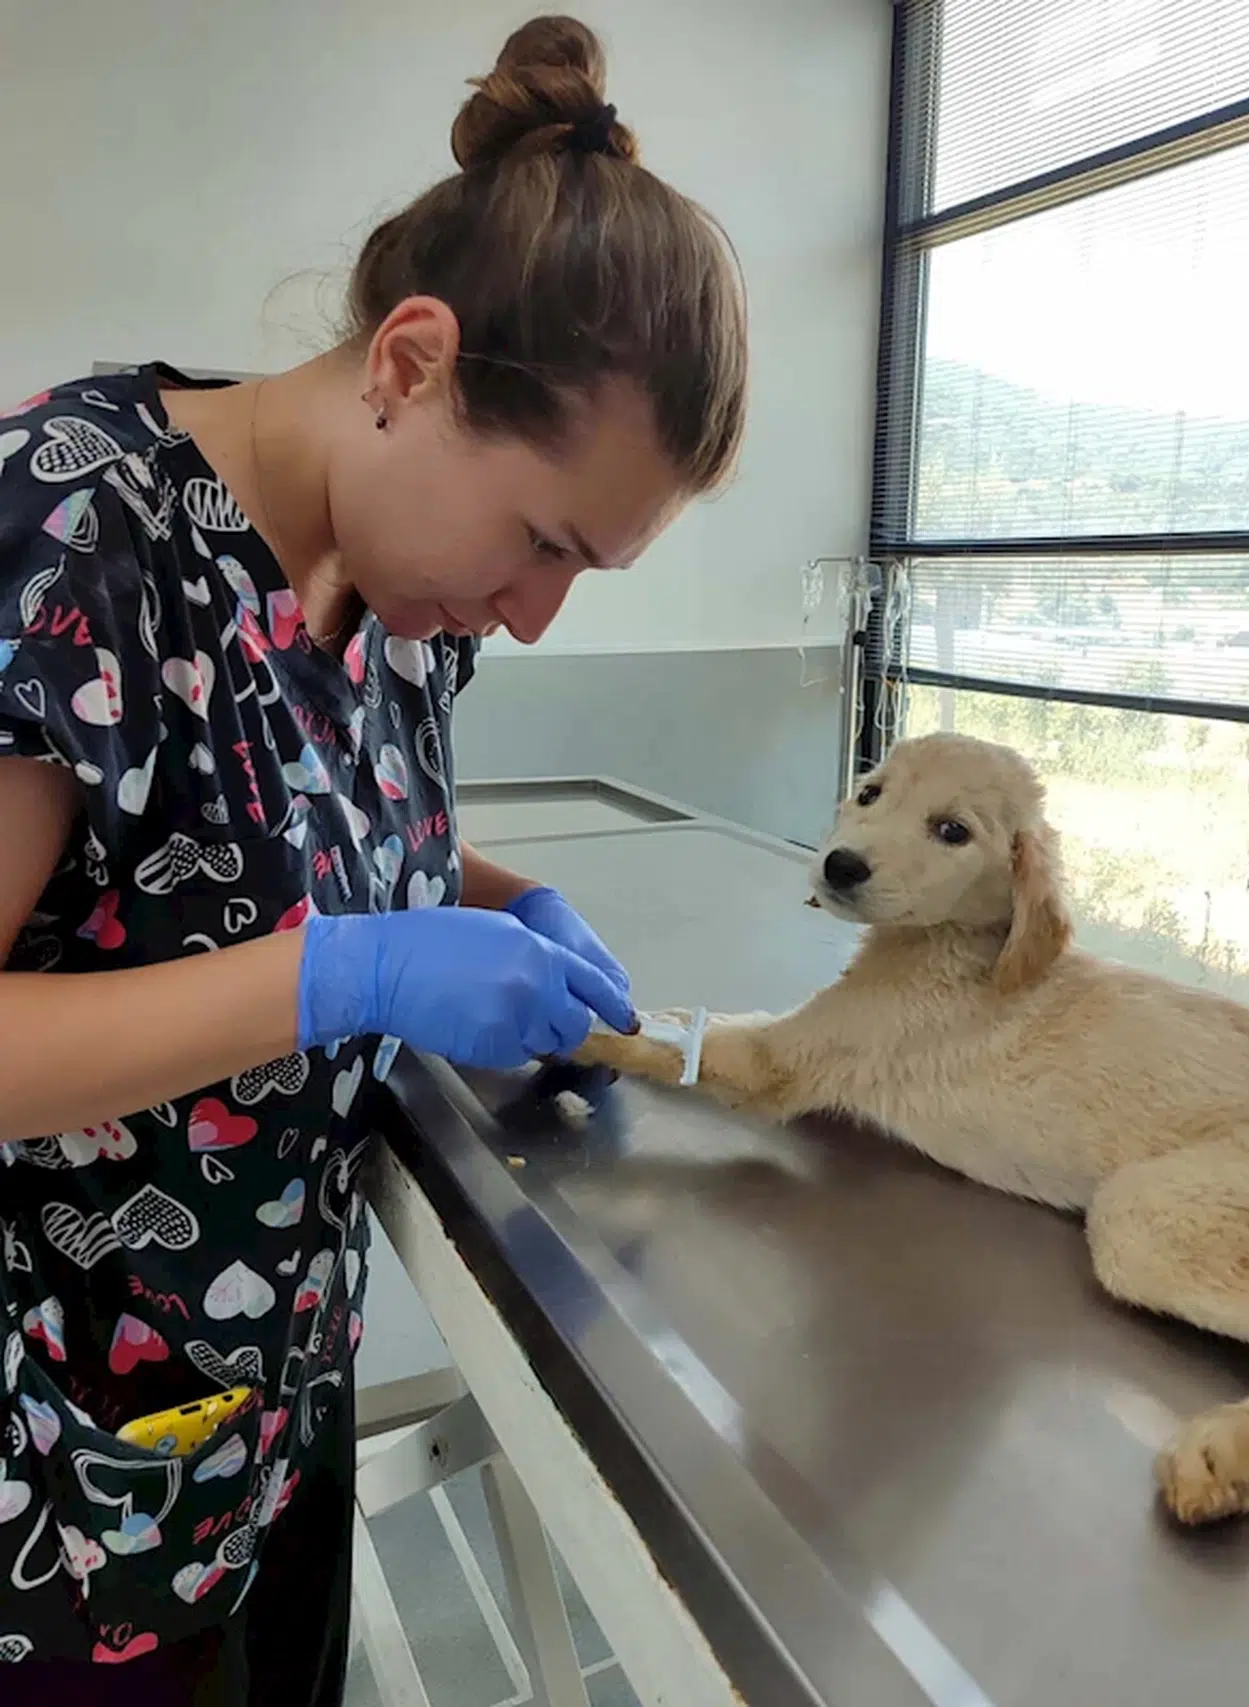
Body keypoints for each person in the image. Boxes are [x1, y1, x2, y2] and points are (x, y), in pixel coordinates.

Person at [0, 13, 747, 1704]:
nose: (534, 614)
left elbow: (272, 828)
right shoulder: (78, 533)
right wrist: (348, 969)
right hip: (60, 1469)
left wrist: (497, 902)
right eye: (543, 541)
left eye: (588, 576)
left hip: (265, 1408)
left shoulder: (404, 595)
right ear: (411, 362)